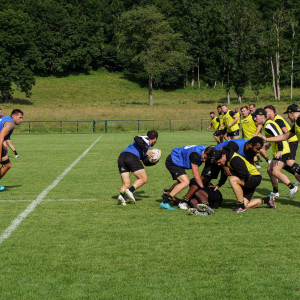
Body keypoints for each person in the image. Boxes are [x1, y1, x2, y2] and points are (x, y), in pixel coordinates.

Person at [210, 147, 275, 212]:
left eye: (219, 162)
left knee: (232, 179)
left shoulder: (235, 160)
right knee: (246, 205)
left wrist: (231, 173)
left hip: (254, 178)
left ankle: (241, 207)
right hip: (248, 178)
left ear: (223, 156)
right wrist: (219, 185)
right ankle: (268, 200)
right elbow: (225, 173)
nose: (218, 164)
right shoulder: (225, 159)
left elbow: (245, 174)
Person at [253, 108, 298, 199]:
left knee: (275, 171)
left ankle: (292, 187)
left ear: (262, 116)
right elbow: (276, 135)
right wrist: (268, 144)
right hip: (280, 150)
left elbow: (278, 135)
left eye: (256, 117)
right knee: (270, 170)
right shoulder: (267, 124)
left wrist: (280, 150)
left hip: (283, 151)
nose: (255, 119)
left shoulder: (268, 125)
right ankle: (275, 191)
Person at [163, 145, 214, 210]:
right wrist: (202, 187)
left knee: (180, 182)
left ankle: (166, 194)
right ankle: (165, 202)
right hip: (173, 161)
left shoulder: (207, 150)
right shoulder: (195, 155)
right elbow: (195, 174)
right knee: (185, 182)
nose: (204, 160)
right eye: (204, 157)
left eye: (206, 159)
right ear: (203, 151)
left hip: (178, 160)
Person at [262, 104, 300, 186]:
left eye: (288, 115)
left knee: (289, 162)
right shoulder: (296, 124)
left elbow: (285, 135)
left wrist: (284, 147)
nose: (288, 117)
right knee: (285, 163)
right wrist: (267, 140)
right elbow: (284, 136)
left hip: (291, 142)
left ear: (292, 113)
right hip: (287, 142)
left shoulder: (279, 120)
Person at [117, 130, 158, 205]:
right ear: (155, 139)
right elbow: (136, 138)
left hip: (121, 158)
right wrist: (146, 150)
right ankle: (130, 191)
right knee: (143, 179)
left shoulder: (144, 146)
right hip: (131, 156)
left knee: (126, 183)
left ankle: (121, 196)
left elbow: (145, 162)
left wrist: (154, 162)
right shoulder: (147, 140)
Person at [0, 109, 23, 187]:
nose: (21, 120)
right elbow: (1, 137)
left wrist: (4, 146)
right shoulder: (11, 124)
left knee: (7, 165)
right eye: (20, 117)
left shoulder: (5, 119)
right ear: (14, 116)